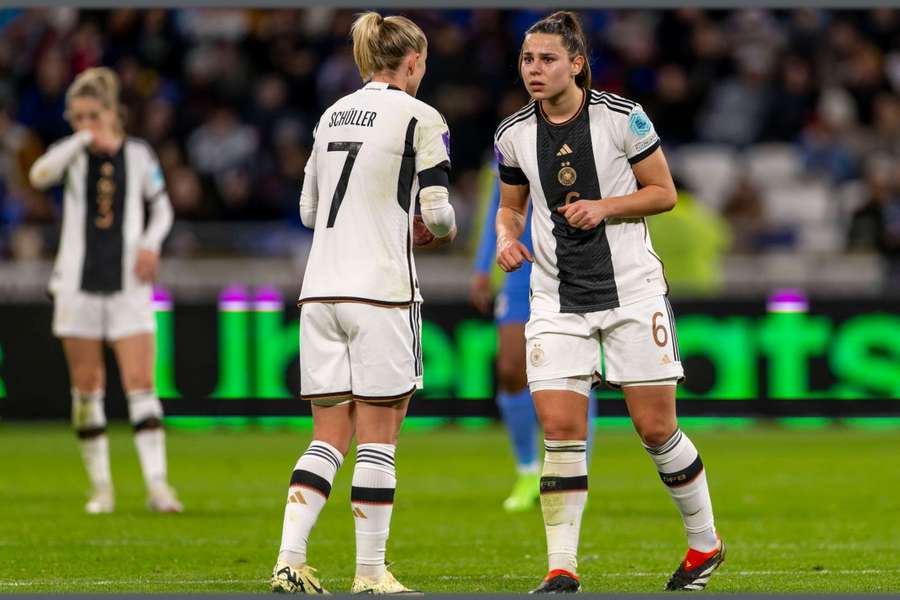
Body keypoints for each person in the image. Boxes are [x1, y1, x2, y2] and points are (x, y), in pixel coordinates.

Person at [493, 12, 724, 592]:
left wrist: (603, 206)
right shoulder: (513, 134)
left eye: (547, 59)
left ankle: (705, 543)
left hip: (631, 292)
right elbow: (511, 206)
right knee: (561, 432)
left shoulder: (624, 118)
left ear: (576, 63)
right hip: (554, 298)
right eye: (527, 59)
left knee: (655, 429)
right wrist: (504, 237)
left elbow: (664, 193)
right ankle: (561, 568)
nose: (534, 70)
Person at [270, 12, 456, 595]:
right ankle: (371, 573)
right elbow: (441, 215)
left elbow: (307, 211)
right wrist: (426, 230)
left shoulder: (330, 115)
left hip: (320, 289)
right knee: (379, 434)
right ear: (414, 61)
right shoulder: (422, 116)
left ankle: (289, 561)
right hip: (380, 291)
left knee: (328, 435)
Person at [28, 67, 180, 514]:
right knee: (87, 388)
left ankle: (158, 486)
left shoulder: (138, 154)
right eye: (76, 117)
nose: (84, 124)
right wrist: (79, 139)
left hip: (128, 287)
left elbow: (163, 207)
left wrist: (151, 245)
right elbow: (39, 174)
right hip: (76, 287)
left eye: (92, 115)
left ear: (113, 112)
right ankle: (102, 489)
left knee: (141, 384)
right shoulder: (72, 156)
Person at [470, 172, 596, 513]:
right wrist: (482, 266)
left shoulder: (580, 139)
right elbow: (501, 209)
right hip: (520, 272)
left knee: (579, 372)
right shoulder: (511, 144)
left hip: (569, 269)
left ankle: (576, 473)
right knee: (511, 369)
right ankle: (527, 471)